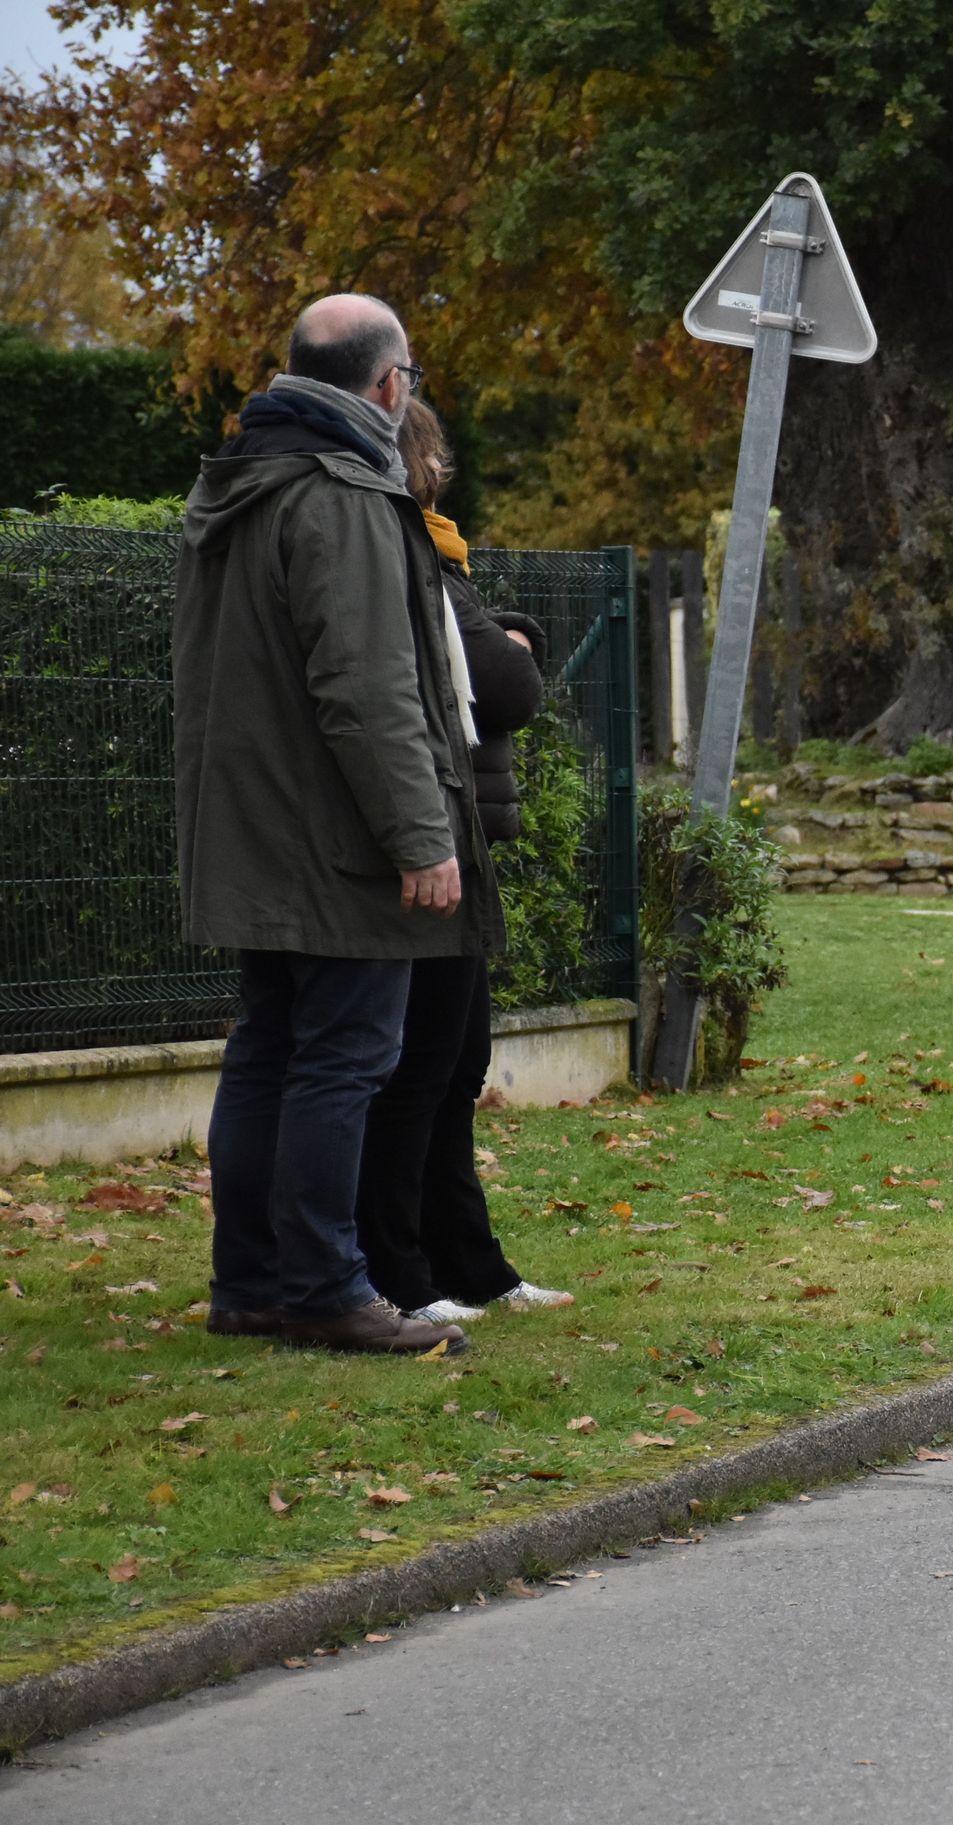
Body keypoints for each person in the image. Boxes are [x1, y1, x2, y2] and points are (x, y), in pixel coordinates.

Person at [174, 293, 497, 1355]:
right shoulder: (343, 493)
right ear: (388, 382)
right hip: (337, 840)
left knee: (268, 1051)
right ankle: (322, 1287)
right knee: (343, 1059)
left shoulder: (236, 483)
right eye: (411, 376)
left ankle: (252, 1284)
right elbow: (368, 691)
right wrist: (421, 837)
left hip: (255, 829)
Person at [354, 398, 575, 1325]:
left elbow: (490, 663)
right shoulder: (410, 554)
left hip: (461, 835)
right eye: (434, 455)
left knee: (457, 1061)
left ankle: (469, 1264)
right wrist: (513, 643)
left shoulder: (440, 560)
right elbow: (507, 681)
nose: (442, 470)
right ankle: (401, 1272)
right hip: (432, 839)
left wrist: (507, 637)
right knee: (423, 1068)